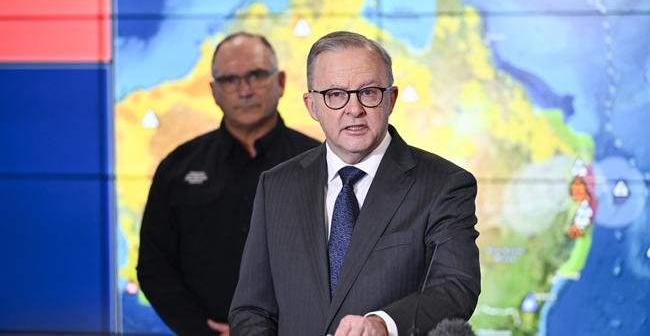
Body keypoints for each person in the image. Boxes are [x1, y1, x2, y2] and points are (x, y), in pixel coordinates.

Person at [229, 31, 481, 336]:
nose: (354, 109)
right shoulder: (276, 186)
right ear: (312, 106)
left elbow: (455, 287)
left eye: (369, 92)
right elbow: (252, 310)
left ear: (391, 99)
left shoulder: (444, 185)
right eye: (335, 94)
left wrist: (383, 325)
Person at [137, 32, 320, 336]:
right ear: (213, 91)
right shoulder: (177, 168)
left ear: (281, 82)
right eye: (230, 80)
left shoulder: (322, 164)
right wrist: (201, 331)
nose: (245, 90)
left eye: (257, 75)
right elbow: (154, 267)